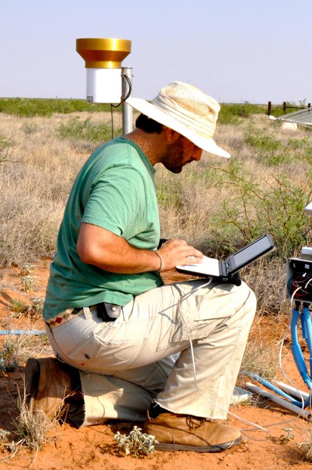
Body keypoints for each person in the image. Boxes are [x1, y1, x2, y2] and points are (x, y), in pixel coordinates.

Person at [25, 81, 257, 452]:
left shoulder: (121, 155)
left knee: (179, 385)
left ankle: (66, 389)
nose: (198, 156)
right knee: (238, 298)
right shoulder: (127, 172)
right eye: (196, 143)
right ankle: (183, 423)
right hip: (93, 325)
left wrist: (163, 253)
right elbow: (94, 247)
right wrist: (160, 261)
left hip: (73, 324)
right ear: (170, 131)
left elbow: (112, 240)